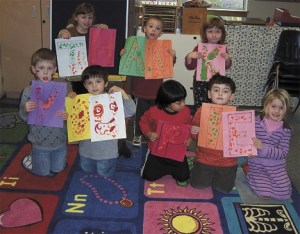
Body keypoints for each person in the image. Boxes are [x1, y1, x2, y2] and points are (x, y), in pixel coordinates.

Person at [67, 65, 136, 177]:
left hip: (107, 152)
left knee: (104, 174)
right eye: (89, 83)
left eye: (98, 81)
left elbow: (130, 111)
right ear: (85, 85)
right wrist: (70, 100)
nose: (94, 85)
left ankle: (121, 150)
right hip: (86, 150)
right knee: (86, 170)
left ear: (106, 83)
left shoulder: (112, 99)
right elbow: (70, 117)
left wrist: (123, 93)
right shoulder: (81, 101)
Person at [120, 15, 177, 147]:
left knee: (155, 114)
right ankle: (138, 134)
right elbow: (128, 61)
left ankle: (153, 133)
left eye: (157, 28)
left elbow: (169, 64)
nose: (153, 30)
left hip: (156, 90)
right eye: (150, 26)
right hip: (140, 90)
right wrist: (123, 54)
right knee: (140, 114)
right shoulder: (136, 45)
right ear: (144, 28)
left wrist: (172, 56)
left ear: (161, 33)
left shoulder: (163, 48)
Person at [18, 48, 68, 177]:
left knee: (58, 169)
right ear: (34, 69)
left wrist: (66, 115)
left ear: (55, 70)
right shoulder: (28, 91)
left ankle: (41, 159)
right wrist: (25, 109)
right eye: (41, 67)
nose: (45, 72)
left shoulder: (60, 90)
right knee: (43, 172)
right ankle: (32, 158)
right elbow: (22, 116)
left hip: (59, 140)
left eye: (49, 68)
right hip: (39, 141)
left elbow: (67, 114)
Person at [190, 73, 237, 193]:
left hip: (227, 161)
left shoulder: (236, 115)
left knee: (224, 189)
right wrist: (195, 131)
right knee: (197, 185)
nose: (220, 94)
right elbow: (194, 134)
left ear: (232, 96)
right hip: (204, 158)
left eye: (225, 91)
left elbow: (240, 139)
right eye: (216, 90)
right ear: (209, 94)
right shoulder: (201, 111)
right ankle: (197, 168)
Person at [139, 80, 192, 186]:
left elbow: (188, 127)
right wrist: (148, 133)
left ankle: (185, 162)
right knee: (148, 176)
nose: (183, 104)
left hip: (176, 152)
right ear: (166, 102)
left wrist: (189, 138)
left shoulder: (185, 111)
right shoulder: (153, 112)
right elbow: (143, 122)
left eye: (183, 100)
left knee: (184, 176)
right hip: (157, 151)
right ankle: (149, 163)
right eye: (179, 103)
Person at [245, 89, 292, 200]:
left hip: (276, 167)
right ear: (266, 105)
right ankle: (249, 174)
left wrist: (263, 147)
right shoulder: (255, 122)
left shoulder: (286, 130)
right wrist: (248, 152)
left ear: (286, 110)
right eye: (273, 106)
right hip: (257, 164)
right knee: (263, 192)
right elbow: (246, 139)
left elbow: (283, 153)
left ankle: (255, 176)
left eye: (281, 108)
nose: (277, 111)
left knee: (284, 194)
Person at [57, 2, 108, 94]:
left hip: (93, 77)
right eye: (83, 17)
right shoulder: (70, 32)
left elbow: (104, 40)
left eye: (90, 17)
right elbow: (62, 34)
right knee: (81, 102)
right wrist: (63, 35)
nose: (87, 20)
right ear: (76, 17)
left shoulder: (95, 31)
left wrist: (102, 28)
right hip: (77, 78)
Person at [185, 17, 232, 111]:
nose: (214, 35)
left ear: (222, 34)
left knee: (216, 103)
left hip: (217, 82)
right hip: (200, 82)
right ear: (205, 33)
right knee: (200, 105)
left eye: (217, 31)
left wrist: (227, 59)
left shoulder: (223, 48)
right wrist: (189, 57)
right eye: (210, 31)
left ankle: (213, 121)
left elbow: (226, 67)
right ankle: (200, 121)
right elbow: (190, 66)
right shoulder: (199, 47)